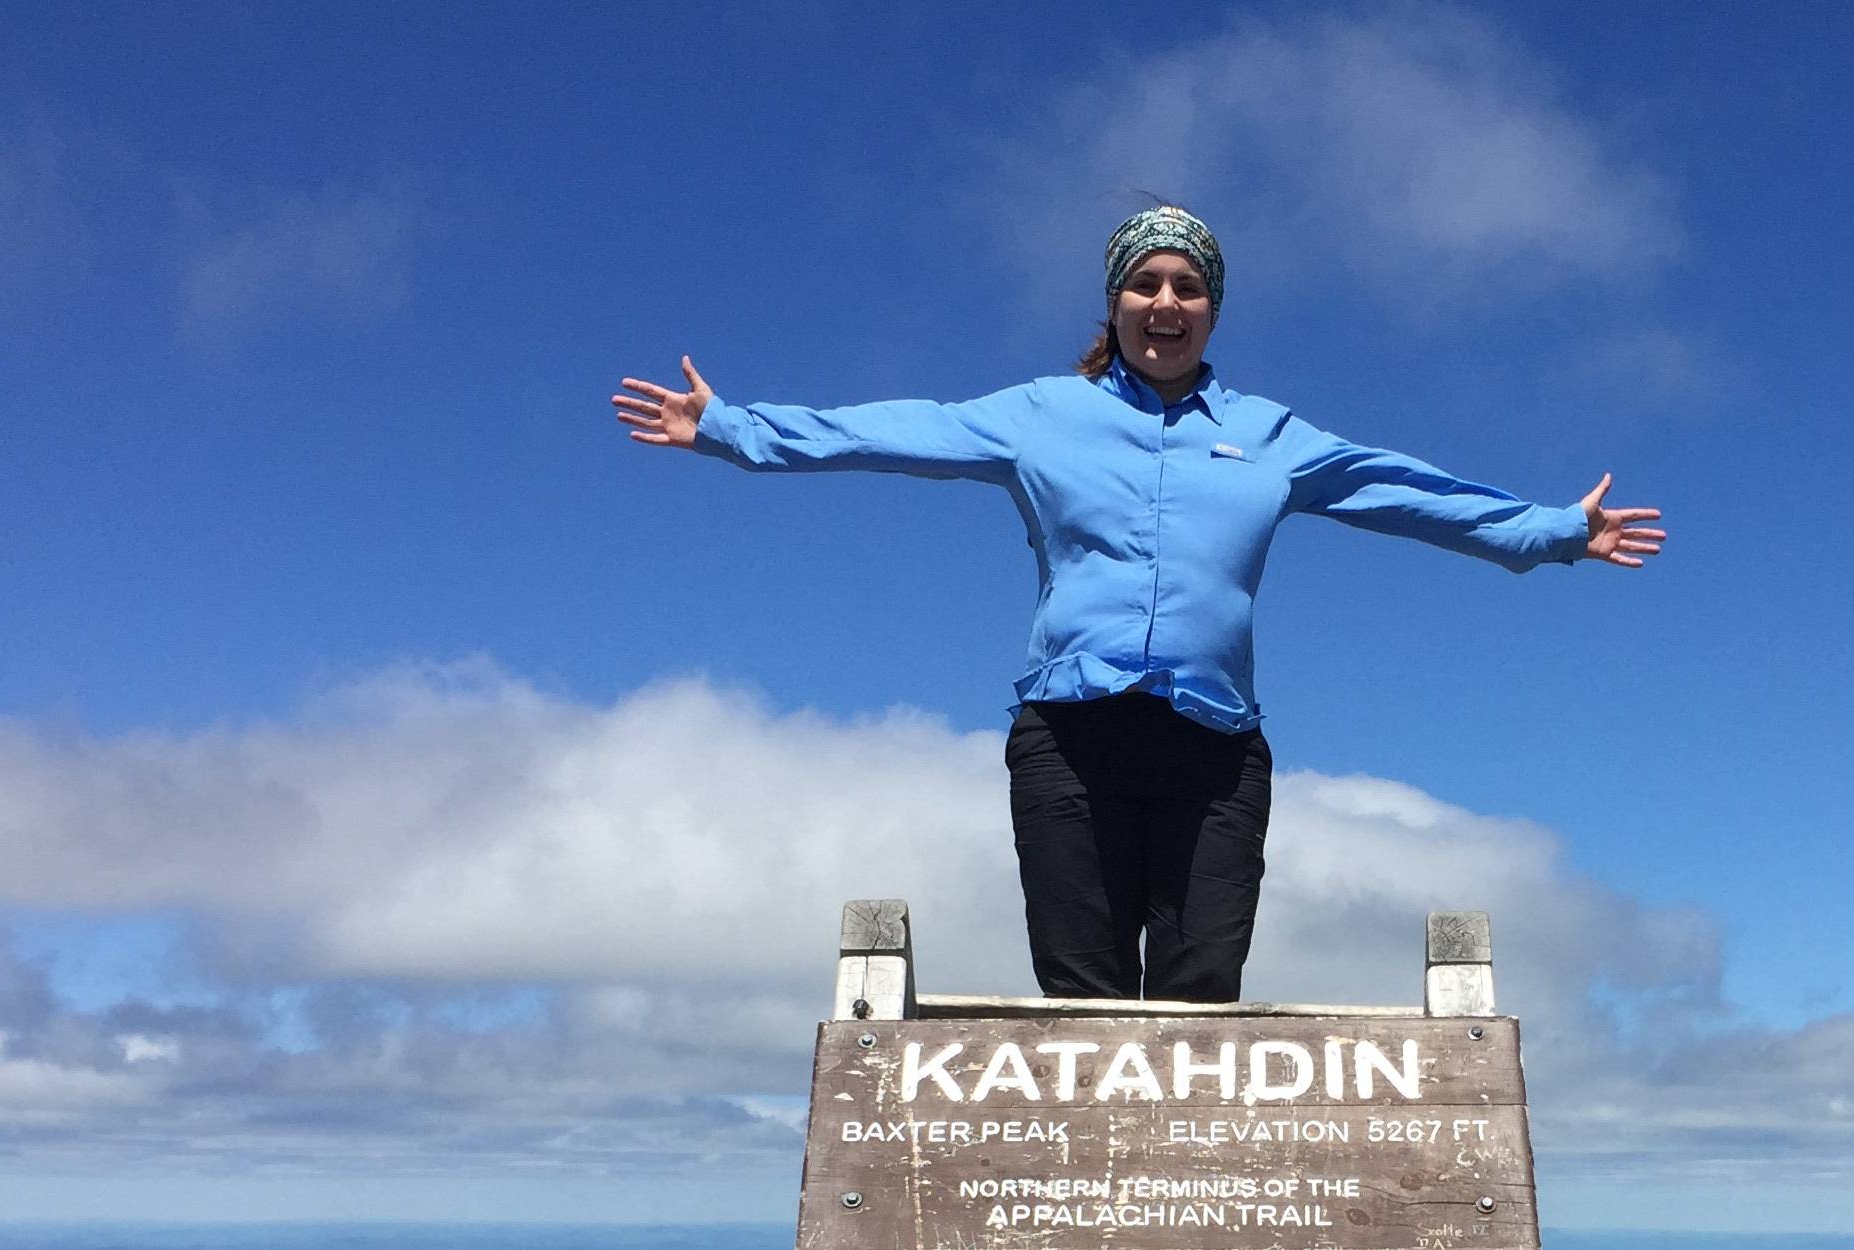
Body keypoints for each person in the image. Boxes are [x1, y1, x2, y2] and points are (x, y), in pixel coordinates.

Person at [614, 204, 1665, 1002]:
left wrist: (1555, 532)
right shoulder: (1043, 416)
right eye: (1146, 284)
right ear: (1114, 302)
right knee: (1085, 1014)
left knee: (1200, 1009)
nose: (1166, 303)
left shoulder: (1270, 434)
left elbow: (1406, 492)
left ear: (1212, 308)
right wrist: (732, 428)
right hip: (1069, 739)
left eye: (1188, 288)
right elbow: (896, 430)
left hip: (1215, 754)